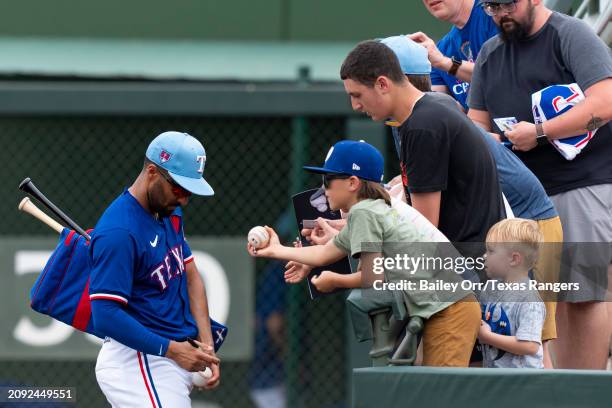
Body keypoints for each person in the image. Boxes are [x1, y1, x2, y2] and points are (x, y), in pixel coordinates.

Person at [467, 0, 612, 369]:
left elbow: (606, 101)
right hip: (520, 200)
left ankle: (582, 395)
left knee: (581, 296)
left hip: (580, 184)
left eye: (508, 3)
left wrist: (542, 132)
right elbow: (476, 129)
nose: (501, 13)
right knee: (533, 302)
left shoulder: (569, 34)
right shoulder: (489, 53)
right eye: (491, 7)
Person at [248, 140, 481, 367]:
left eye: (328, 180)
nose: (323, 188)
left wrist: (335, 281)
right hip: (446, 305)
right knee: (428, 386)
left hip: (450, 307)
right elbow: (323, 254)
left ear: (352, 182)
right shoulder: (372, 208)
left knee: (442, 395)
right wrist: (276, 250)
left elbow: (373, 278)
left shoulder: (364, 213)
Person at [89, 131, 221, 407]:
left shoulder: (168, 210)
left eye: (189, 191)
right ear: (152, 172)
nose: (184, 199)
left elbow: (191, 276)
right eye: (179, 189)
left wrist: (206, 345)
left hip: (173, 352)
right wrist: (173, 351)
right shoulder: (119, 232)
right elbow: (105, 315)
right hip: (139, 360)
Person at [340, 40, 504, 260]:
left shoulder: (422, 127)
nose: (355, 106)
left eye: (357, 95)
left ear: (382, 84)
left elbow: (423, 233)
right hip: (480, 259)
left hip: (474, 271)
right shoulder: (433, 108)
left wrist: (349, 242)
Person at [479, 218, 546, 368]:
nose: (484, 256)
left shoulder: (528, 299)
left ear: (514, 259)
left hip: (522, 384)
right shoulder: (490, 289)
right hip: (496, 380)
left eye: (490, 251)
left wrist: (488, 337)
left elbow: (529, 346)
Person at [408, 0, 498, 110]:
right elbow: (437, 108)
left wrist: (445, 62)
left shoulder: (496, 13)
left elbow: (501, 76)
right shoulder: (441, 49)